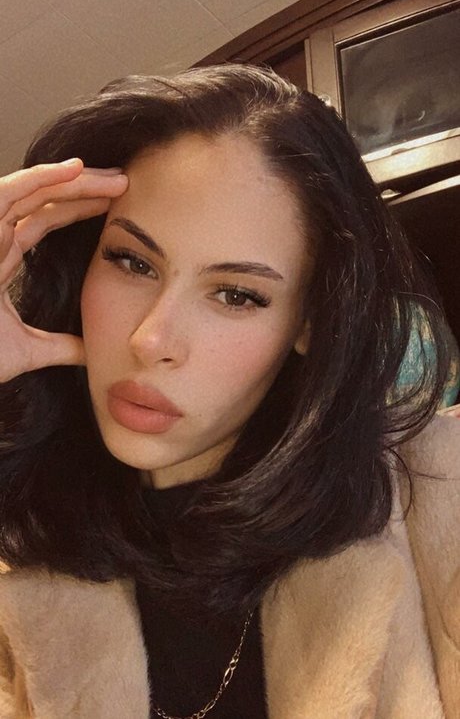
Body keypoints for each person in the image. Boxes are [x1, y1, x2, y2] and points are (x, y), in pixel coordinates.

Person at [0, 64, 458, 719]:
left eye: (236, 295)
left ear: (308, 322)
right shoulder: (25, 547)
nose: (151, 339)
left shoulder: (440, 495)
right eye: (132, 261)